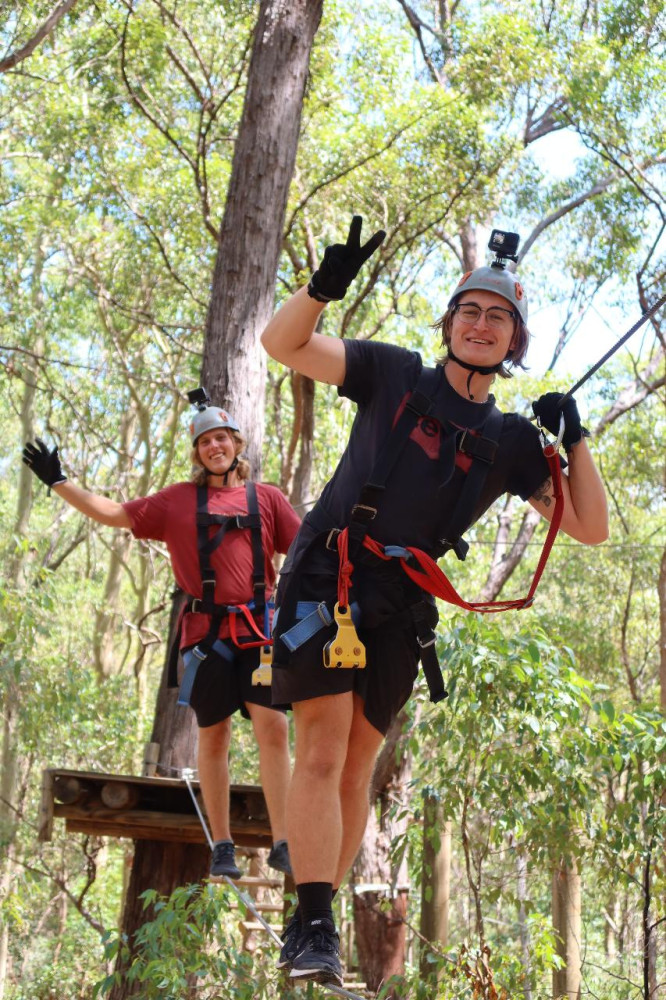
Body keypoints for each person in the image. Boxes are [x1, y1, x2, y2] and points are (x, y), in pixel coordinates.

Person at [260, 217, 608, 986]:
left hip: (403, 605)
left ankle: (314, 915)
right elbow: (282, 346)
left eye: (499, 317)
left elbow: (588, 527)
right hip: (329, 577)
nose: (481, 326)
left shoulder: (514, 443)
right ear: (449, 323)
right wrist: (321, 290)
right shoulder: (391, 374)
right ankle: (313, 918)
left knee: (358, 765)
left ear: (514, 340)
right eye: (469, 312)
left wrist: (574, 440)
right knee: (321, 744)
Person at [22, 396, 301, 882]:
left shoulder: (268, 499)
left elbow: (306, 548)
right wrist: (58, 481)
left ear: (237, 444)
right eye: (205, 441)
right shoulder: (175, 502)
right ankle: (222, 844)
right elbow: (114, 514)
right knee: (214, 735)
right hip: (207, 634)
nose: (214, 446)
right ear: (198, 454)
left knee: (273, 728)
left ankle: (284, 840)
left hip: (260, 633)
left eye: (221, 438)